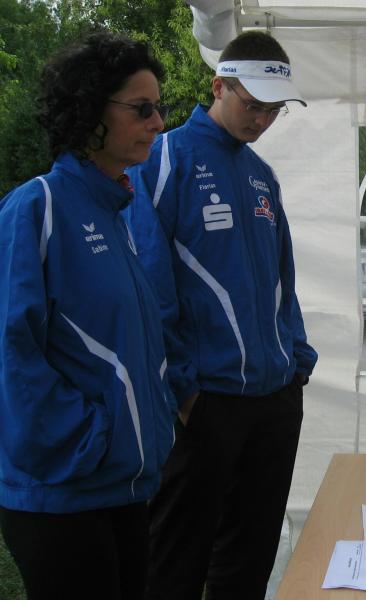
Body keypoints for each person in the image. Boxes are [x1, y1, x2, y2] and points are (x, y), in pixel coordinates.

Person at [125, 30, 317, 600]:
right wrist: (184, 391)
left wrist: (297, 361)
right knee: (176, 562)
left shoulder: (262, 174)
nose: (262, 120)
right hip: (205, 400)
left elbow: (283, 278)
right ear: (218, 86)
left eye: (274, 110)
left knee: (250, 559)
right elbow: (150, 282)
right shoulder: (163, 159)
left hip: (275, 398)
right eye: (252, 104)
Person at [0, 31, 175, 600]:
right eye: (142, 109)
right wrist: (88, 439)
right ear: (90, 111)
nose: (158, 123)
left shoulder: (116, 213)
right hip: (62, 495)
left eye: (159, 108)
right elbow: (10, 354)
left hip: (122, 485)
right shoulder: (37, 208)